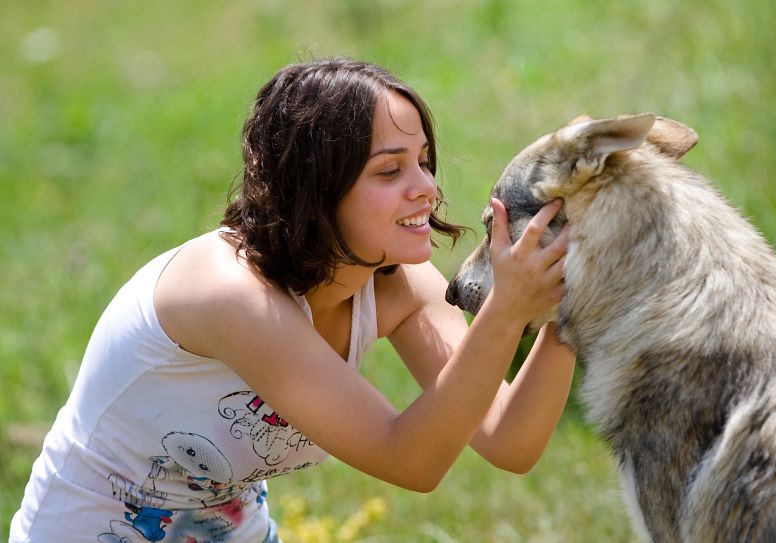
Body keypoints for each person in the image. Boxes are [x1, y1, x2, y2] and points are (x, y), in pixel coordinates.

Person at [10, 57, 575, 543]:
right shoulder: (231, 292)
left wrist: (577, 296)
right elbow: (412, 459)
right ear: (316, 188)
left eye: (423, 160)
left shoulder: (398, 282)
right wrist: (506, 309)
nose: (426, 185)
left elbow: (510, 439)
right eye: (390, 169)